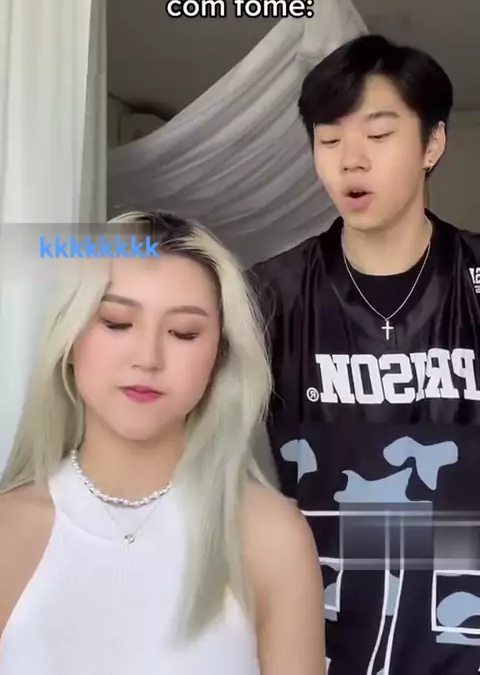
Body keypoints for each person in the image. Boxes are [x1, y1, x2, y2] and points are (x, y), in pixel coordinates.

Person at [0, 211, 325, 675]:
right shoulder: (9, 531)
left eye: (183, 333)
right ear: (71, 337)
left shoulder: (270, 538)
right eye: (117, 322)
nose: (148, 358)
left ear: (218, 358)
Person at [250, 34, 480, 674]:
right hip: (317, 628)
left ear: (433, 144)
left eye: (378, 136)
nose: (350, 161)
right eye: (329, 141)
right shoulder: (268, 295)